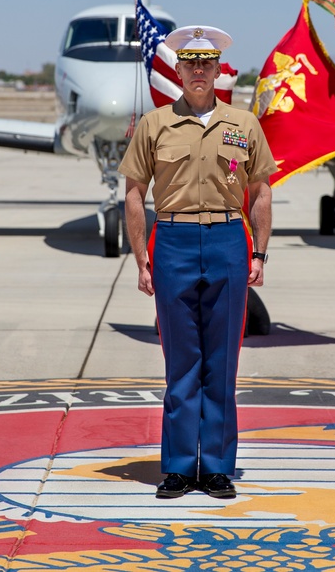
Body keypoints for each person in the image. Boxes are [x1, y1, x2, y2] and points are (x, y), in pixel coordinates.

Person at [119, 25, 276, 500]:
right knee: (181, 362)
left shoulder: (244, 125)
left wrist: (260, 252)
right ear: (180, 70)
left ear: (217, 69)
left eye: (207, 64)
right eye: (190, 64)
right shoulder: (154, 125)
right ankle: (180, 467)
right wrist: (142, 259)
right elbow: (133, 193)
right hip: (174, 242)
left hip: (229, 239)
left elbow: (261, 192)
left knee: (222, 363)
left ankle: (217, 468)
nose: (199, 71)